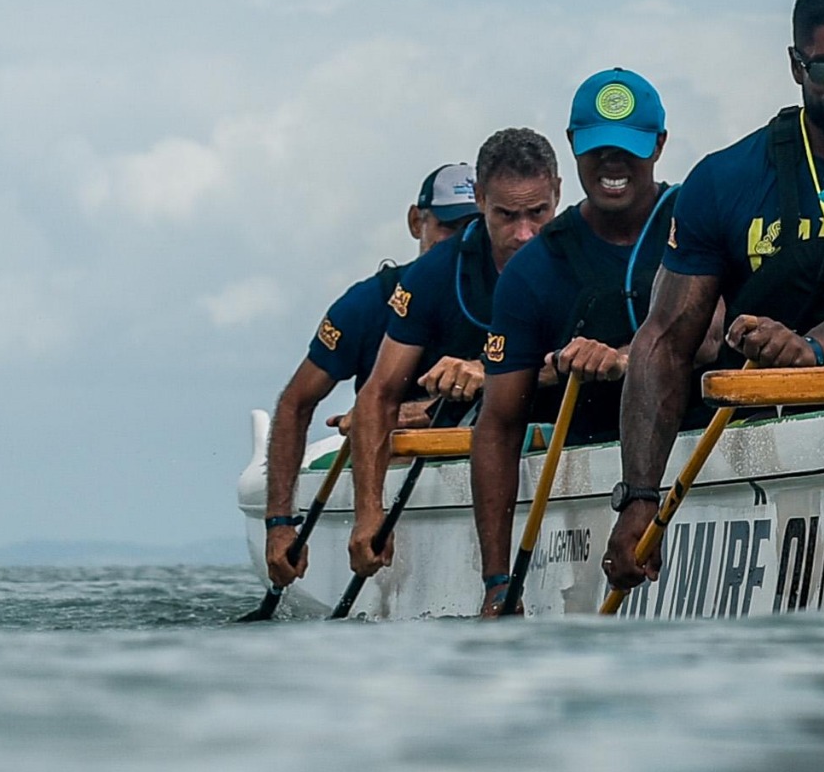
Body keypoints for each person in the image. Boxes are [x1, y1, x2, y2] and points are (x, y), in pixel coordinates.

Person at [603, 0, 824, 591]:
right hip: (761, 451)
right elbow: (665, 342)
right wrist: (640, 497)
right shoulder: (723, 181)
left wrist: (813, 349)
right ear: (796, 66)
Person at [471, 70, 680, 615]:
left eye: (629, 150)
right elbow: (497, 428)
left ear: (658, 145)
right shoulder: (533, 271)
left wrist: (625, 359)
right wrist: (497, 580)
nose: (613, 166)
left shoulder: (695, 222)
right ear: (572, 147)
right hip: (588, 456)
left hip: (689, 449)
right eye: (598, 150)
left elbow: (710, 334)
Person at [347, 128, 560, 579]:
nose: (524, 234)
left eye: (538, 213)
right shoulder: (433, 273)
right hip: (490, 434)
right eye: (506, 215)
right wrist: (368, 514)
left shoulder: (581, 249)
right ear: (481, 199)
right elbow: (377, 396)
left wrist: (491, 371)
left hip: (568, 425)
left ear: (558, 194)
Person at [259, 164, 474, 590]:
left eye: (475, 229)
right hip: (392, 460)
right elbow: (296, 403)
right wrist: (280, 523)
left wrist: (426, 412)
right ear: (417, 222)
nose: (462, 243)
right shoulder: (366, 304)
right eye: (450, 228)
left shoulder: (504, 292)